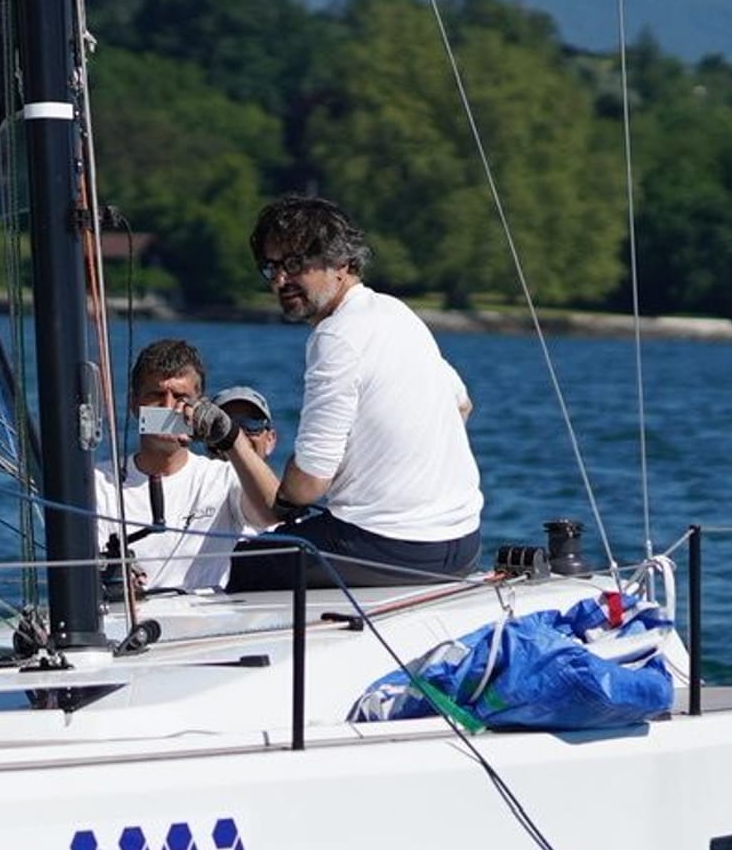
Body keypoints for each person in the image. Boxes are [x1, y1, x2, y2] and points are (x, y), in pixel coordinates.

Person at [228, 196, 482, 588]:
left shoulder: (336, 336)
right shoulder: (396, 312)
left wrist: (277, 500)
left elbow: (308, 483)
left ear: (343, 264)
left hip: (390, 547)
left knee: (246, 562)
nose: (280, 280)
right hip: (463, 543)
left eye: (295, 264)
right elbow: (462, 406)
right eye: (272, 267)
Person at [94, 337, 279, 596]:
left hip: (206, 623)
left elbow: (272, 512)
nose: (169, 408)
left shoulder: (223, 478)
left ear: (198, 406)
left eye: (180, 397)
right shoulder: (98, 482)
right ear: (135, 405)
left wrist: (232, 438)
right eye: (157, 396)